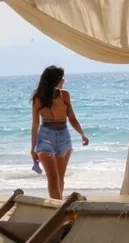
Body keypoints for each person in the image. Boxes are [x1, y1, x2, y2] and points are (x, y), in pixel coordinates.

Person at [30, 66, 88, 200]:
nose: (64, 80)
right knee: (53, 176)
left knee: (60, 176)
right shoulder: (38, 97)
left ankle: (58, 207)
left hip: (61, 136)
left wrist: (82, 134)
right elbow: (35, 124)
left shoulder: (64, 95)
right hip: (47, 136)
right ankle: (57, 208)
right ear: (55, 80)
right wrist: (32, 148)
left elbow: (72, 117)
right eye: (62, 77)